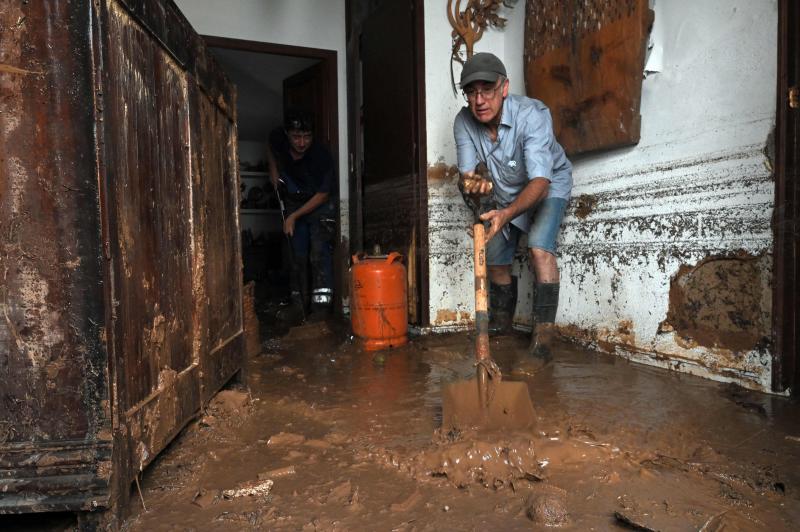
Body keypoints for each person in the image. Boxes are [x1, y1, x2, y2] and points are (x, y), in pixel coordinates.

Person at [453, 52, 572, 355]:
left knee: (539, 247)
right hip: (504, 192)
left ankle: (543, 339)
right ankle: (502, 323)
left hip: (548, 184)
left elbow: (540, 181)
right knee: (495, 257)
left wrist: (506, 214)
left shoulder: (532, 114)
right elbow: (468, 177)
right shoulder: (464, 122)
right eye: (471, 92)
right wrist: (476, 193)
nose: (479, 100)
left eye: (487, 90)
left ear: (504, 88)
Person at [267, 109, 336, 322]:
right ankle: (299, 306)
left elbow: (323, 195)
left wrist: (293, 217)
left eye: (307, 137)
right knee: (296, 253)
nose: (302, 142)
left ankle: (321, 310)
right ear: (288, 134)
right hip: (294, 200)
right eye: (297, 136)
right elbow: (270, 146)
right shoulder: (278, 138)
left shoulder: (321, 156)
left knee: (318, 253)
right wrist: (274, 171)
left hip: (319, 205)